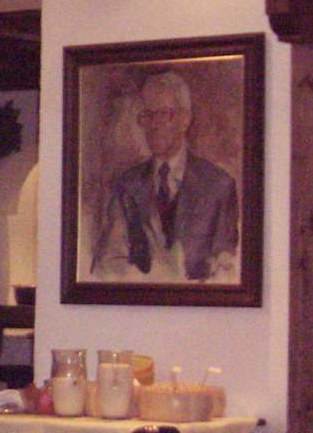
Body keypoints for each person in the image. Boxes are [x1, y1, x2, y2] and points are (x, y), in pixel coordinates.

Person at [93, 70, 239, 282]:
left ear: (185, 119)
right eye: (147, 115)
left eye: (163, 114)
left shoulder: (219, 186)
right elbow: (107, 264)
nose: (153, 125)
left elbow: (228, 271)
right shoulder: (127, 186)